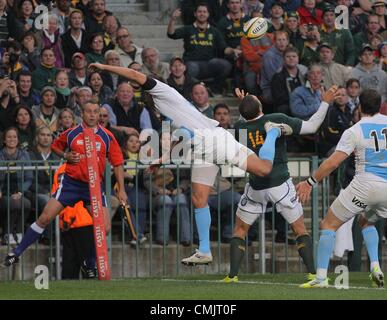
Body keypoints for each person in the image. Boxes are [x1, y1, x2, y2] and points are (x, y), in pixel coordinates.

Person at [88, 62, 278, 265]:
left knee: (264, 169)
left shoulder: (162, 90)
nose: (137, 86)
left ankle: (273, 131)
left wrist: (104, 67)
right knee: (198, 199)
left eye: (139, 84)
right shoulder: (162, 106)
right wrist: (163, 159)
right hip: (200, 147)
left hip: (214, 140)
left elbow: (134, 73)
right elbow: (184, 136)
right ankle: (204, 251)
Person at [222, 85, 339, 283]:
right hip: (279, 184)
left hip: (256, 186)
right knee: (299, 229)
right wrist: (326, 101)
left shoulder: (239, 128)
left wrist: (246, 105)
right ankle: (313, 273)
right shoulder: (275, 119)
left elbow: (248, 122)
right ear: (260, 106)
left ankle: (231, 276)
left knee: (240, 230)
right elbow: (312, 126)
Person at [2, 100, 128, 267]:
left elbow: (118, 163)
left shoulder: (107, 136)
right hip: (71, 184)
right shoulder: (71, 133)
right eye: (88, 111)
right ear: (81, 114)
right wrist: (66, 156)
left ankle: (89, 264)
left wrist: (122, 189)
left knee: (104, 228)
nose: (92, 115)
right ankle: (16, 253)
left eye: (95, 112)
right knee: (45, 217)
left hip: (93, 187)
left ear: (99, 115)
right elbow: (55, 147)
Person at [298, 89, 387, 288]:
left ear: (360, 107)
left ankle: (321, 278)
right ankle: (375, 266)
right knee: (365, 221)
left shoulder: (354, 130)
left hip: (365, 185)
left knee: (328, 225)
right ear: (380, 105)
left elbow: (333, 163)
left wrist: (309, 182)